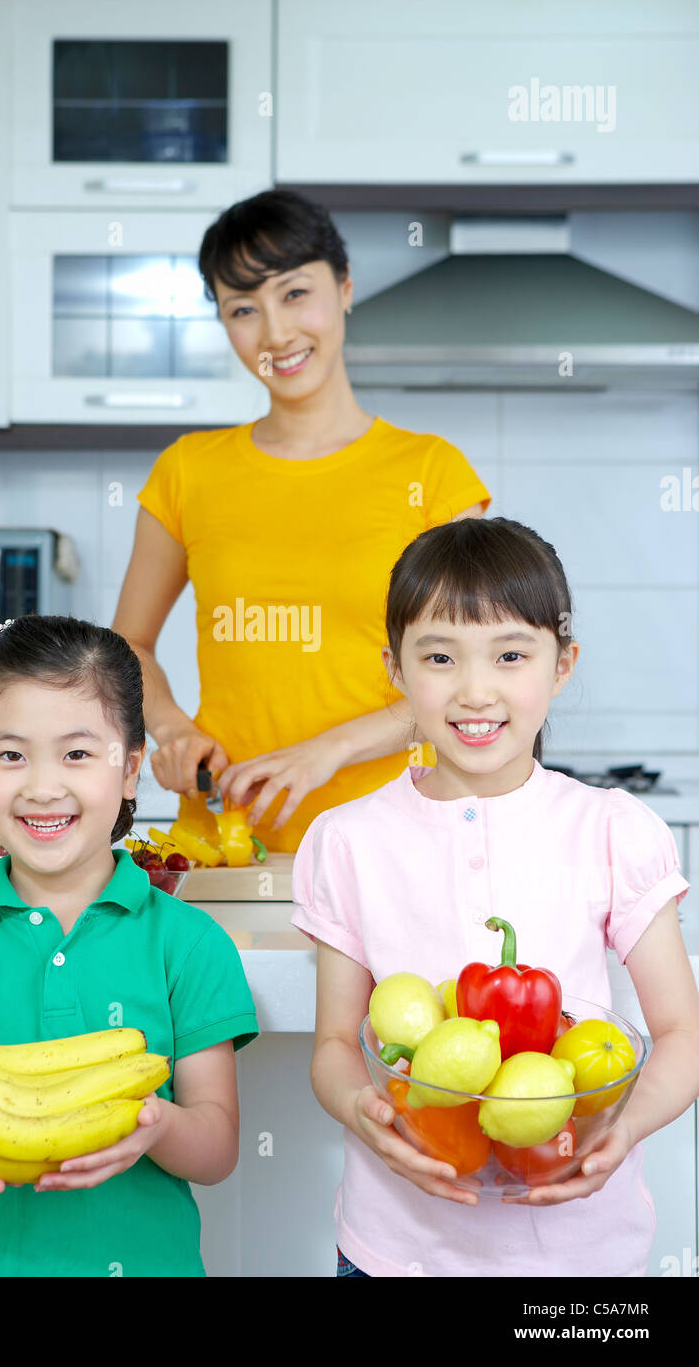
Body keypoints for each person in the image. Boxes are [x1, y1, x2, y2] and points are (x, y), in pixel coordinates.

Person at [290, 516, 699, 1278]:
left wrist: (625, 1128)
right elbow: (336, 1047)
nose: (476, 690)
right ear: (396, 669)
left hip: (582, 1259)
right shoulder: (347, 840)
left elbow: (681, 1032)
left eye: (511, 655)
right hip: (394, 1251)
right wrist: (362, 1114)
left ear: (562, 662)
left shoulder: (611, 828)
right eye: (439, 657)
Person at [0, 614, 258, 1277]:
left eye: (76, 753)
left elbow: (217, 1151)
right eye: (11, 755)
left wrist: (159, 1127)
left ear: (129, 771)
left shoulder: (189, 945)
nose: (43, 786)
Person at [114, 188, 491, 854]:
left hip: (396, 843)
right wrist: (172, 731)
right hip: (225, 844)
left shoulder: (432, 474)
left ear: (345, 287)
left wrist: (328, 751)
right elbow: (128, 648)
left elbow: (468, 676)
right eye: (242, 309)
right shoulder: (187, 471)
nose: (277, 332)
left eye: (295, 293)